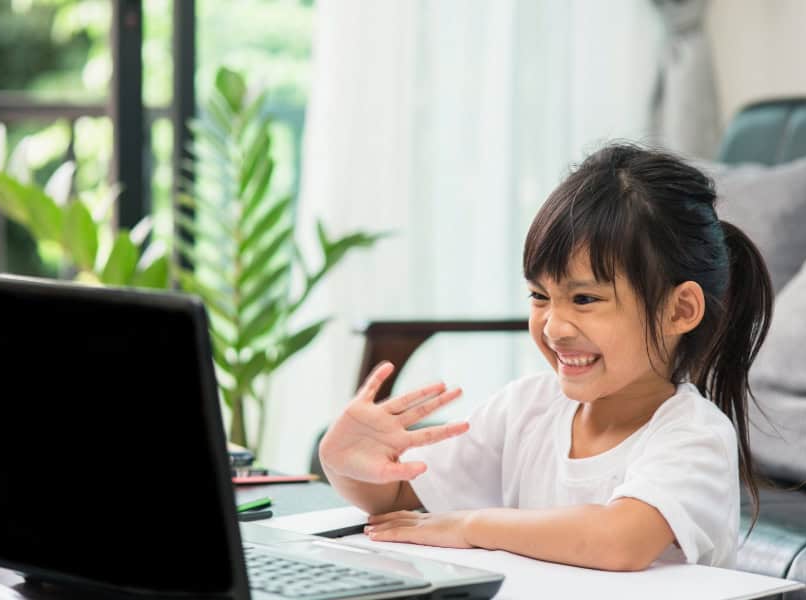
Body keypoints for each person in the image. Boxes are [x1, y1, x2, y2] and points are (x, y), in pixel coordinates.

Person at [318, 143, 773, 571]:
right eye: (540, 295)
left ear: (680, 310)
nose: (553, 327)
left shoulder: (695, 435)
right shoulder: (525, 407)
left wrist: (470, 525)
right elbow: (401, 497)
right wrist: (343, 462)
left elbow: (620, 540)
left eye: (585, 299)